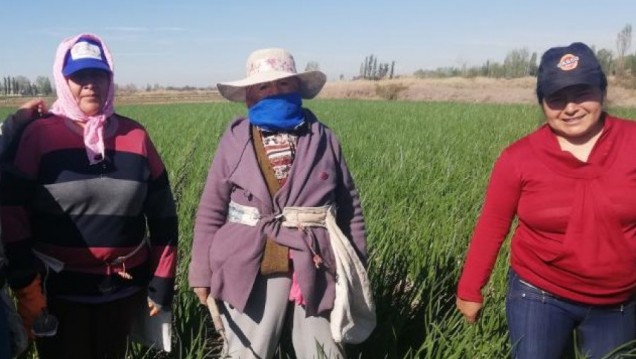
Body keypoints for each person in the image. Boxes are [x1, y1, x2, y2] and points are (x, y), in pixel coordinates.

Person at [0, 33, 178, 359]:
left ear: (110, 79)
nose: (90, 84)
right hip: (56, 293)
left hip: (123, 290)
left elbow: (163, 213)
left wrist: (162, 280)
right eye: (79, 77)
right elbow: (12, 215)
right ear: (62, 81)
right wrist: (26, 285)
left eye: (98, 74)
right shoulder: (40, 135)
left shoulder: (135, 135)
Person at [188, 48, 374, 359]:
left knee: (321, 350)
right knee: (249, 349)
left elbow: (349, 205)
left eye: (284, 84)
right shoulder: (235, 141)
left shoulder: (323, 138)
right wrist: (201, 273)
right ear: (250, 95)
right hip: (248, 257)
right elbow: (211, 209)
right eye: (264, 86)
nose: (274, 91)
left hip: (316, 258)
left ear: (297, 88)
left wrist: (356, 263)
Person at [456, 42, 636, 359]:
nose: (570, 108)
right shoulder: (518, 158)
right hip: (539, 294)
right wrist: (470, 289)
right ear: (542, 102)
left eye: (582, 93)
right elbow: (493, 225)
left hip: (618, 300)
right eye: (556, 98)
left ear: (602, 91)